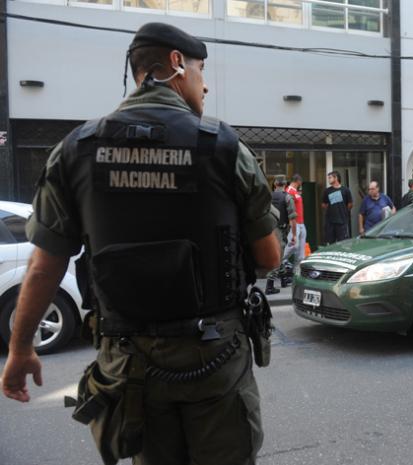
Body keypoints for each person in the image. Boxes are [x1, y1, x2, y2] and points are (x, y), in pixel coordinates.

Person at [1, 22, 280, 465]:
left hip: (129, 365)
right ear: (175, 64)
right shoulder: (225, 147)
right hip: (215, 358)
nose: (204, 84)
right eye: (200, 69)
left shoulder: (75, 150)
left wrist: (20, 350)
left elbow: (44, 265)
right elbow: (269, 257)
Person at [265, 175, 297, 294]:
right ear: (285, 185)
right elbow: (292, 218)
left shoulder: (268, 196)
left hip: (268, 229)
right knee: (278, 258)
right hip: (280, 229)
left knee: (280, 255)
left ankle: (284, 279)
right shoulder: (288, 197)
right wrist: (294, 235)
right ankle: (269, 286)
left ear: (274, 184)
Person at [322, 170, 353, 244]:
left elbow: (350, 204)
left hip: (342, 221)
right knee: (331, 242)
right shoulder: (327, 191)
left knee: (342, 243)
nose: (328, 179)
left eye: (330, 177)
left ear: (336, 178)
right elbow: (324, 204)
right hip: (330, 222)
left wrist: (343, 210)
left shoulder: (345, 190)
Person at [283, 174, 306, 270]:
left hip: (301, 223)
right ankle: (280, 263)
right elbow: (286, 207)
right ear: (298, 181)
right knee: (292, 246)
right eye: (300, 182)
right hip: (294, 223)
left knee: (301, 252)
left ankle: (297, 273)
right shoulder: (288, 191)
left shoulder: (296, 192)